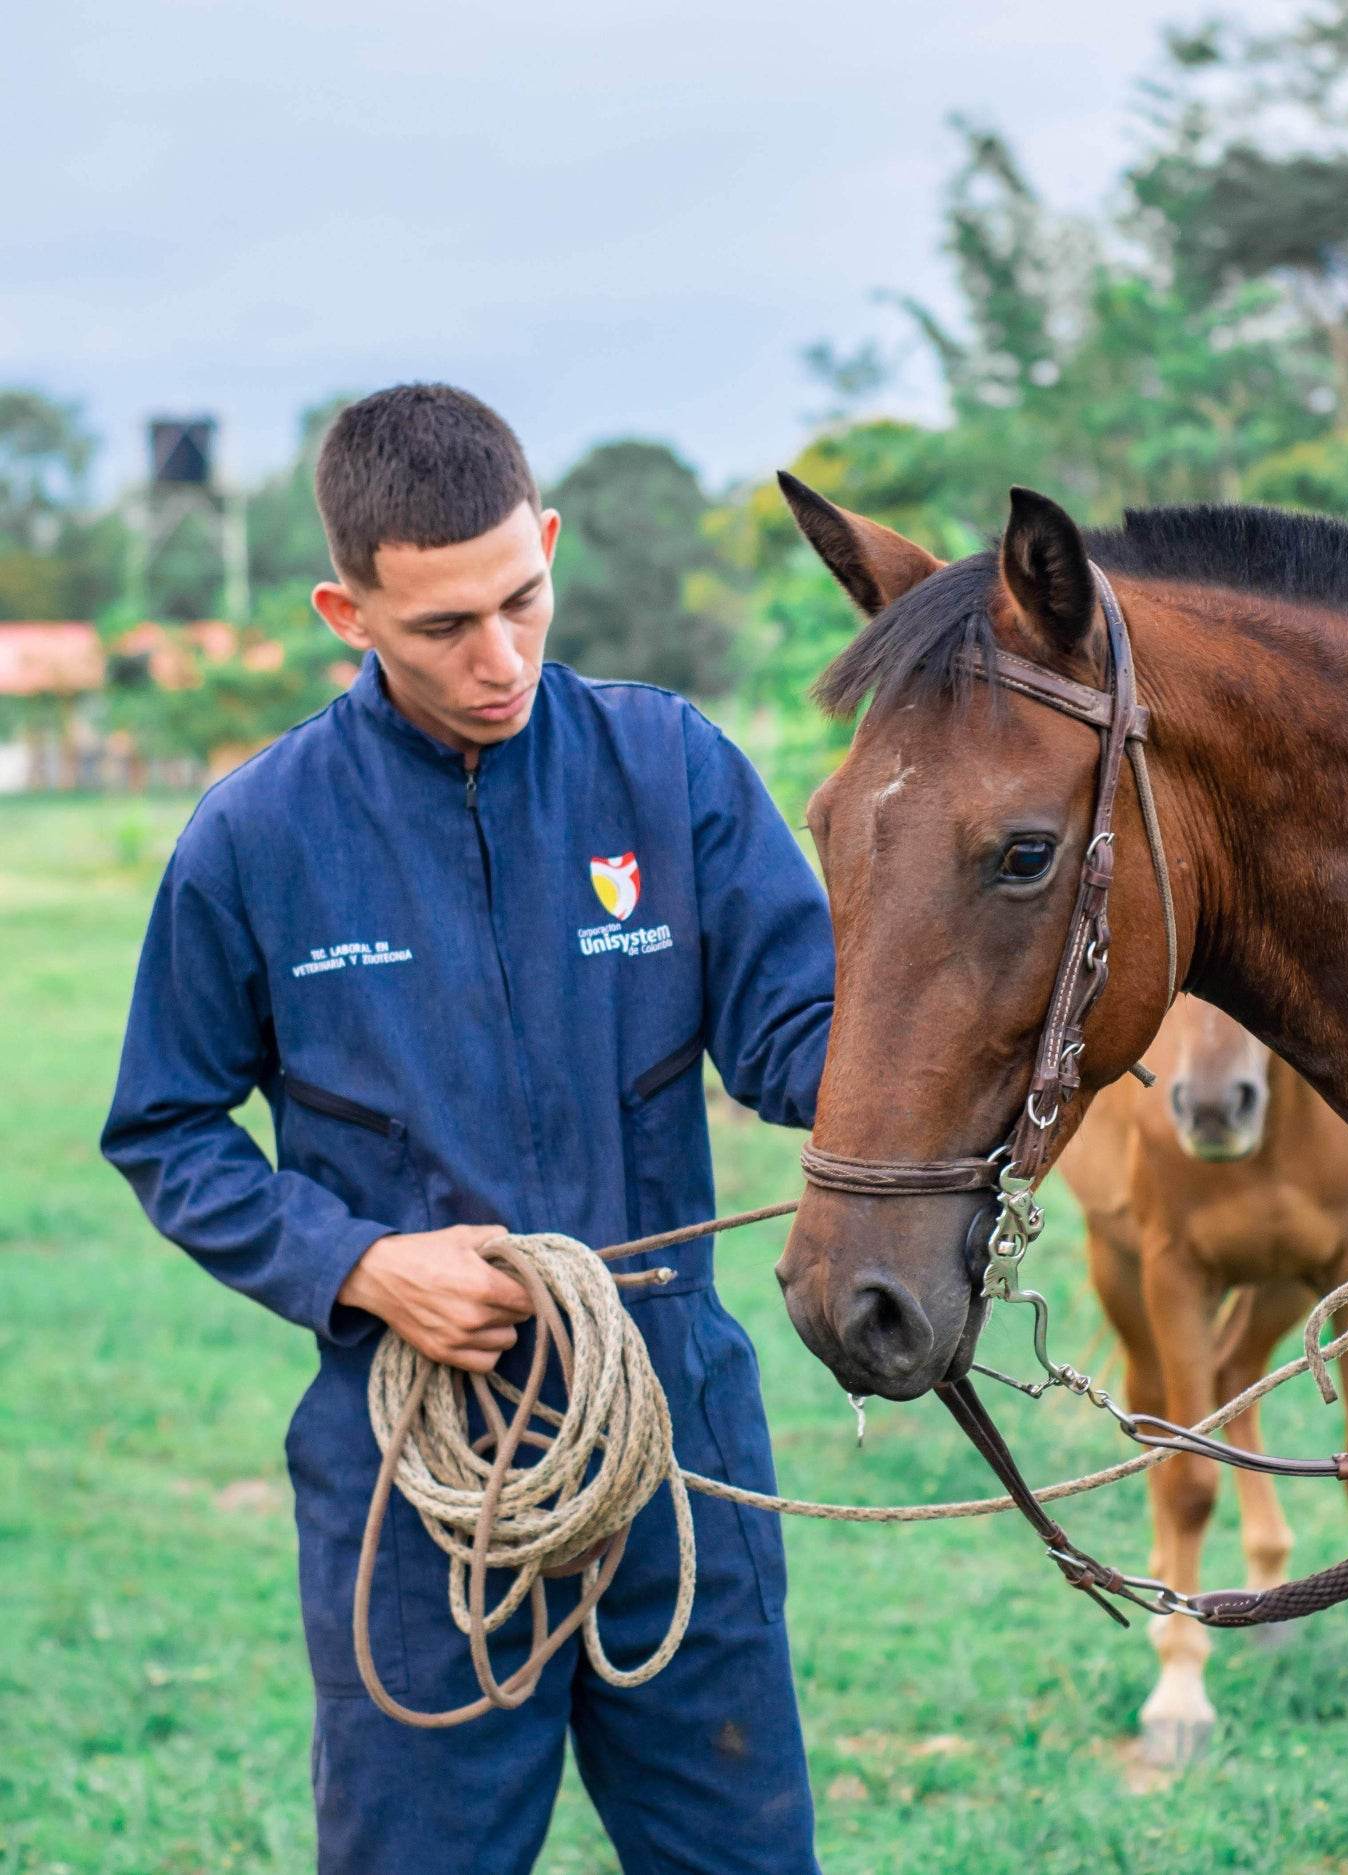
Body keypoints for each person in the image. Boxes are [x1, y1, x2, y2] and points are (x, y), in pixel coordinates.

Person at [101, 383, 833, 1874]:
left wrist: (986, 1057)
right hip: (415, 1485)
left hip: (675, 1436)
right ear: (345, 609)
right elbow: (165, 1125)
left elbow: (797, 1047)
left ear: (549, 544)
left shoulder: (672, 770)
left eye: (523, 600)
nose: (498, 659)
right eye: (443, 628)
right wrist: (365, 1267)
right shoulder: (257, 839)